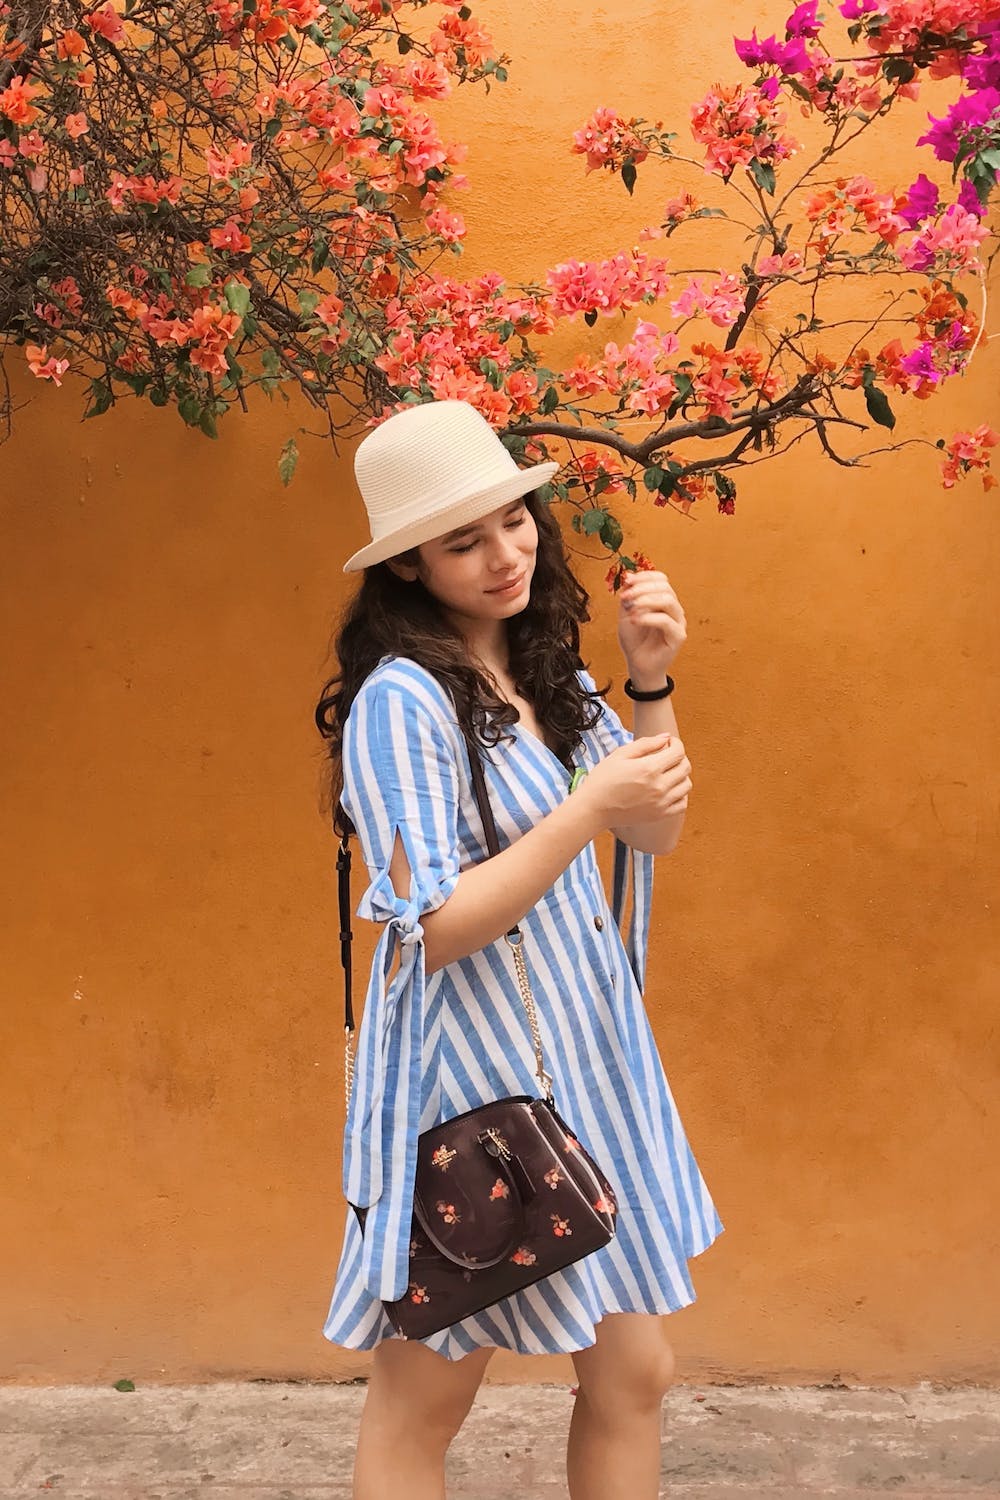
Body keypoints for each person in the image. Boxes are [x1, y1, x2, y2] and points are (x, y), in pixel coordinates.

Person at [315, 399, 721, 1500]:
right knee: (424, 1403)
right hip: (475, 1095)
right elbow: (431, 926)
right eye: (463, 540)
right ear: (405, 566)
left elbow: (654, 827)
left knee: (635, 1370)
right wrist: (586, 808)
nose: (504, 555)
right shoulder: (400, 704)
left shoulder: (543, 669)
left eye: (514, 520)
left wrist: (647, 683)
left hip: (588, 1067)